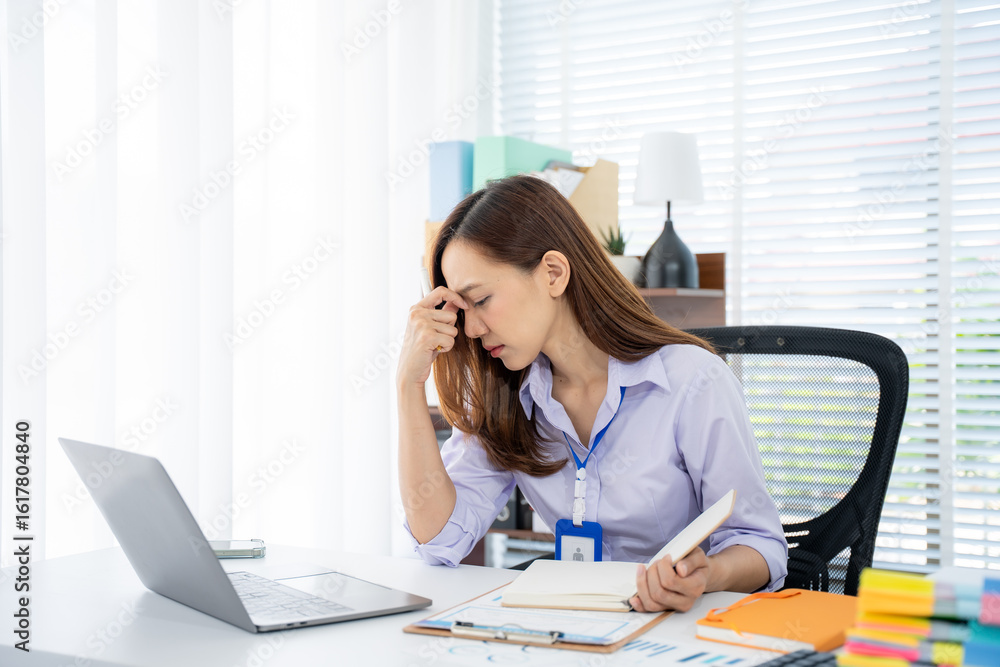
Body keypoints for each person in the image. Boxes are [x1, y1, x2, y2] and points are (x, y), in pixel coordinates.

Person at [396, 174, 787, 613]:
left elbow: (760, 545)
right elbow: (439, 540)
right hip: (575, 629)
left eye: (482, 299)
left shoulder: (692, 382)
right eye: (462, 311)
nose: (470, 329)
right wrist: (409, 387)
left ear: (553, 274)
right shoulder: (505, 394)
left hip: (675, 634)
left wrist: (706, 575)